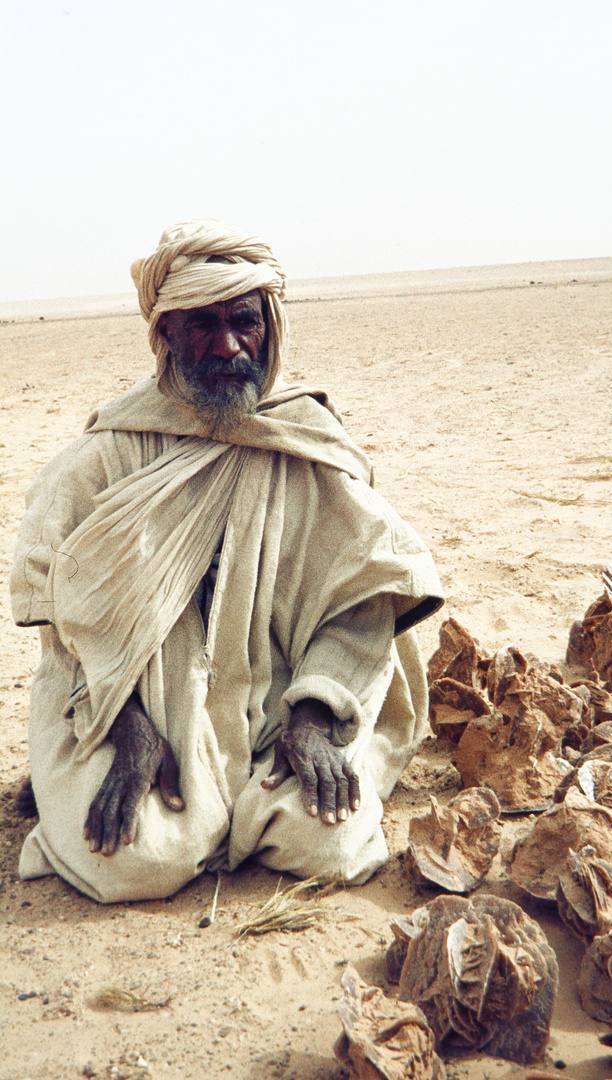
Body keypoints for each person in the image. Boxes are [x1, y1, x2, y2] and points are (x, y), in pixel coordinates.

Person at [10, 218, 443, 903]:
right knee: (138, 861)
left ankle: (264, 782)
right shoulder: (110, 451)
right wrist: (128, 730)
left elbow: (370, 592)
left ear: (269, 326)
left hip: (283, 706)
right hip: (142, 712)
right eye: (202, 325)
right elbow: (50, 604)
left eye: (243, 321)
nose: (227, 345)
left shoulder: (303, 442)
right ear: (166, 335)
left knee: (327, 843)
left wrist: (311, 721)